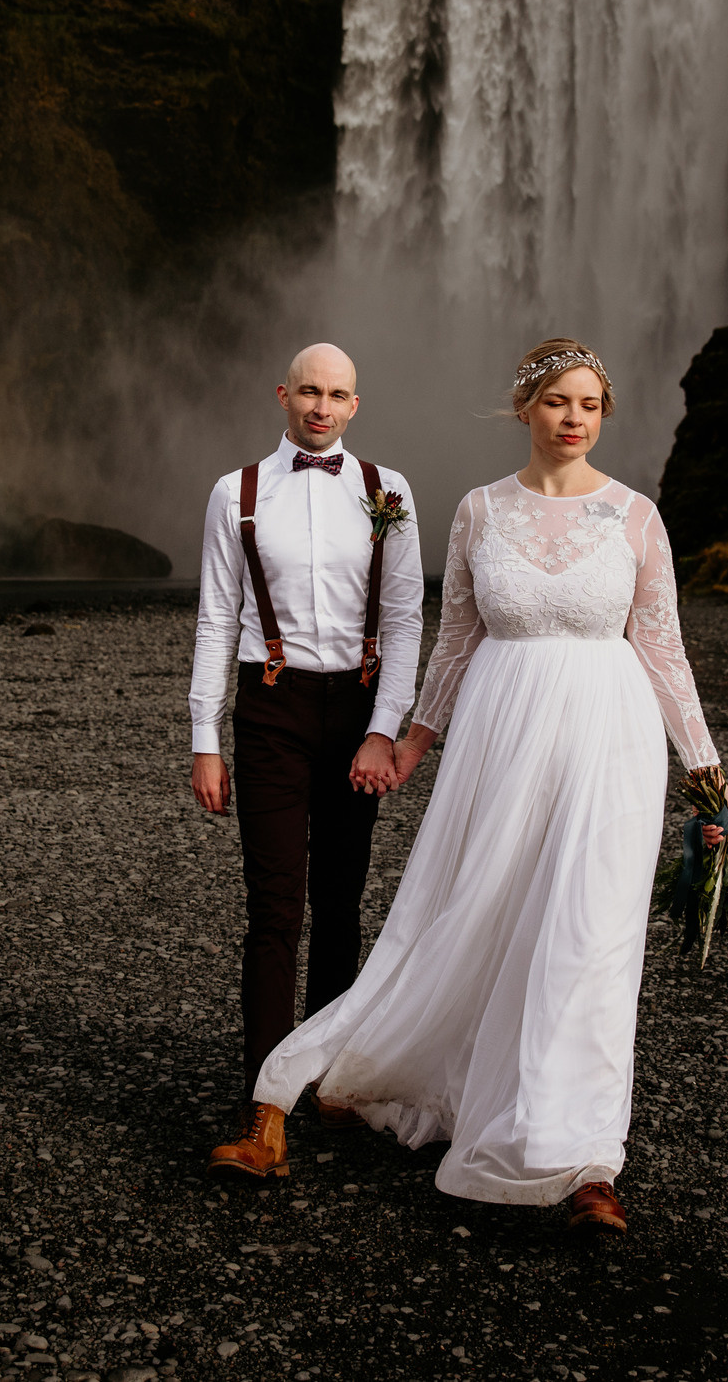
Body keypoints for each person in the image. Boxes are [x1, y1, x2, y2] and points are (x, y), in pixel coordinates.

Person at [240, 338, 728, 1234]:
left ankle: (584, 1159)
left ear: (602, 415)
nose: (574, 418)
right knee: (478, 916)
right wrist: (408, 741)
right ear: (526, 410)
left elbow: (663, 647)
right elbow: (457, 641)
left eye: (588, 404)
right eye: (557, 402)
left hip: (608, 741)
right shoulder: (477, 512)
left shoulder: (637, 517)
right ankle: (442, 1078)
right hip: (499, 743)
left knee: (589, 936)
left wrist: (706, 773)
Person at [191, 343, 425, 1178]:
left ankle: (327, 1073)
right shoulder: (237, 492)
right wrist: (205, 738)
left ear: (355, 404)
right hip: (271, 708)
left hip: (357, 710)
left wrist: (385, 729)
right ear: (281, 394)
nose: (321, 407)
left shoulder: (387, 491)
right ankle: (264, 1106)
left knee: (341, 898)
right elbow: (218, 617)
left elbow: (403, 622)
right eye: (308, 391)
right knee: (274, 903)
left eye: (338, 394)